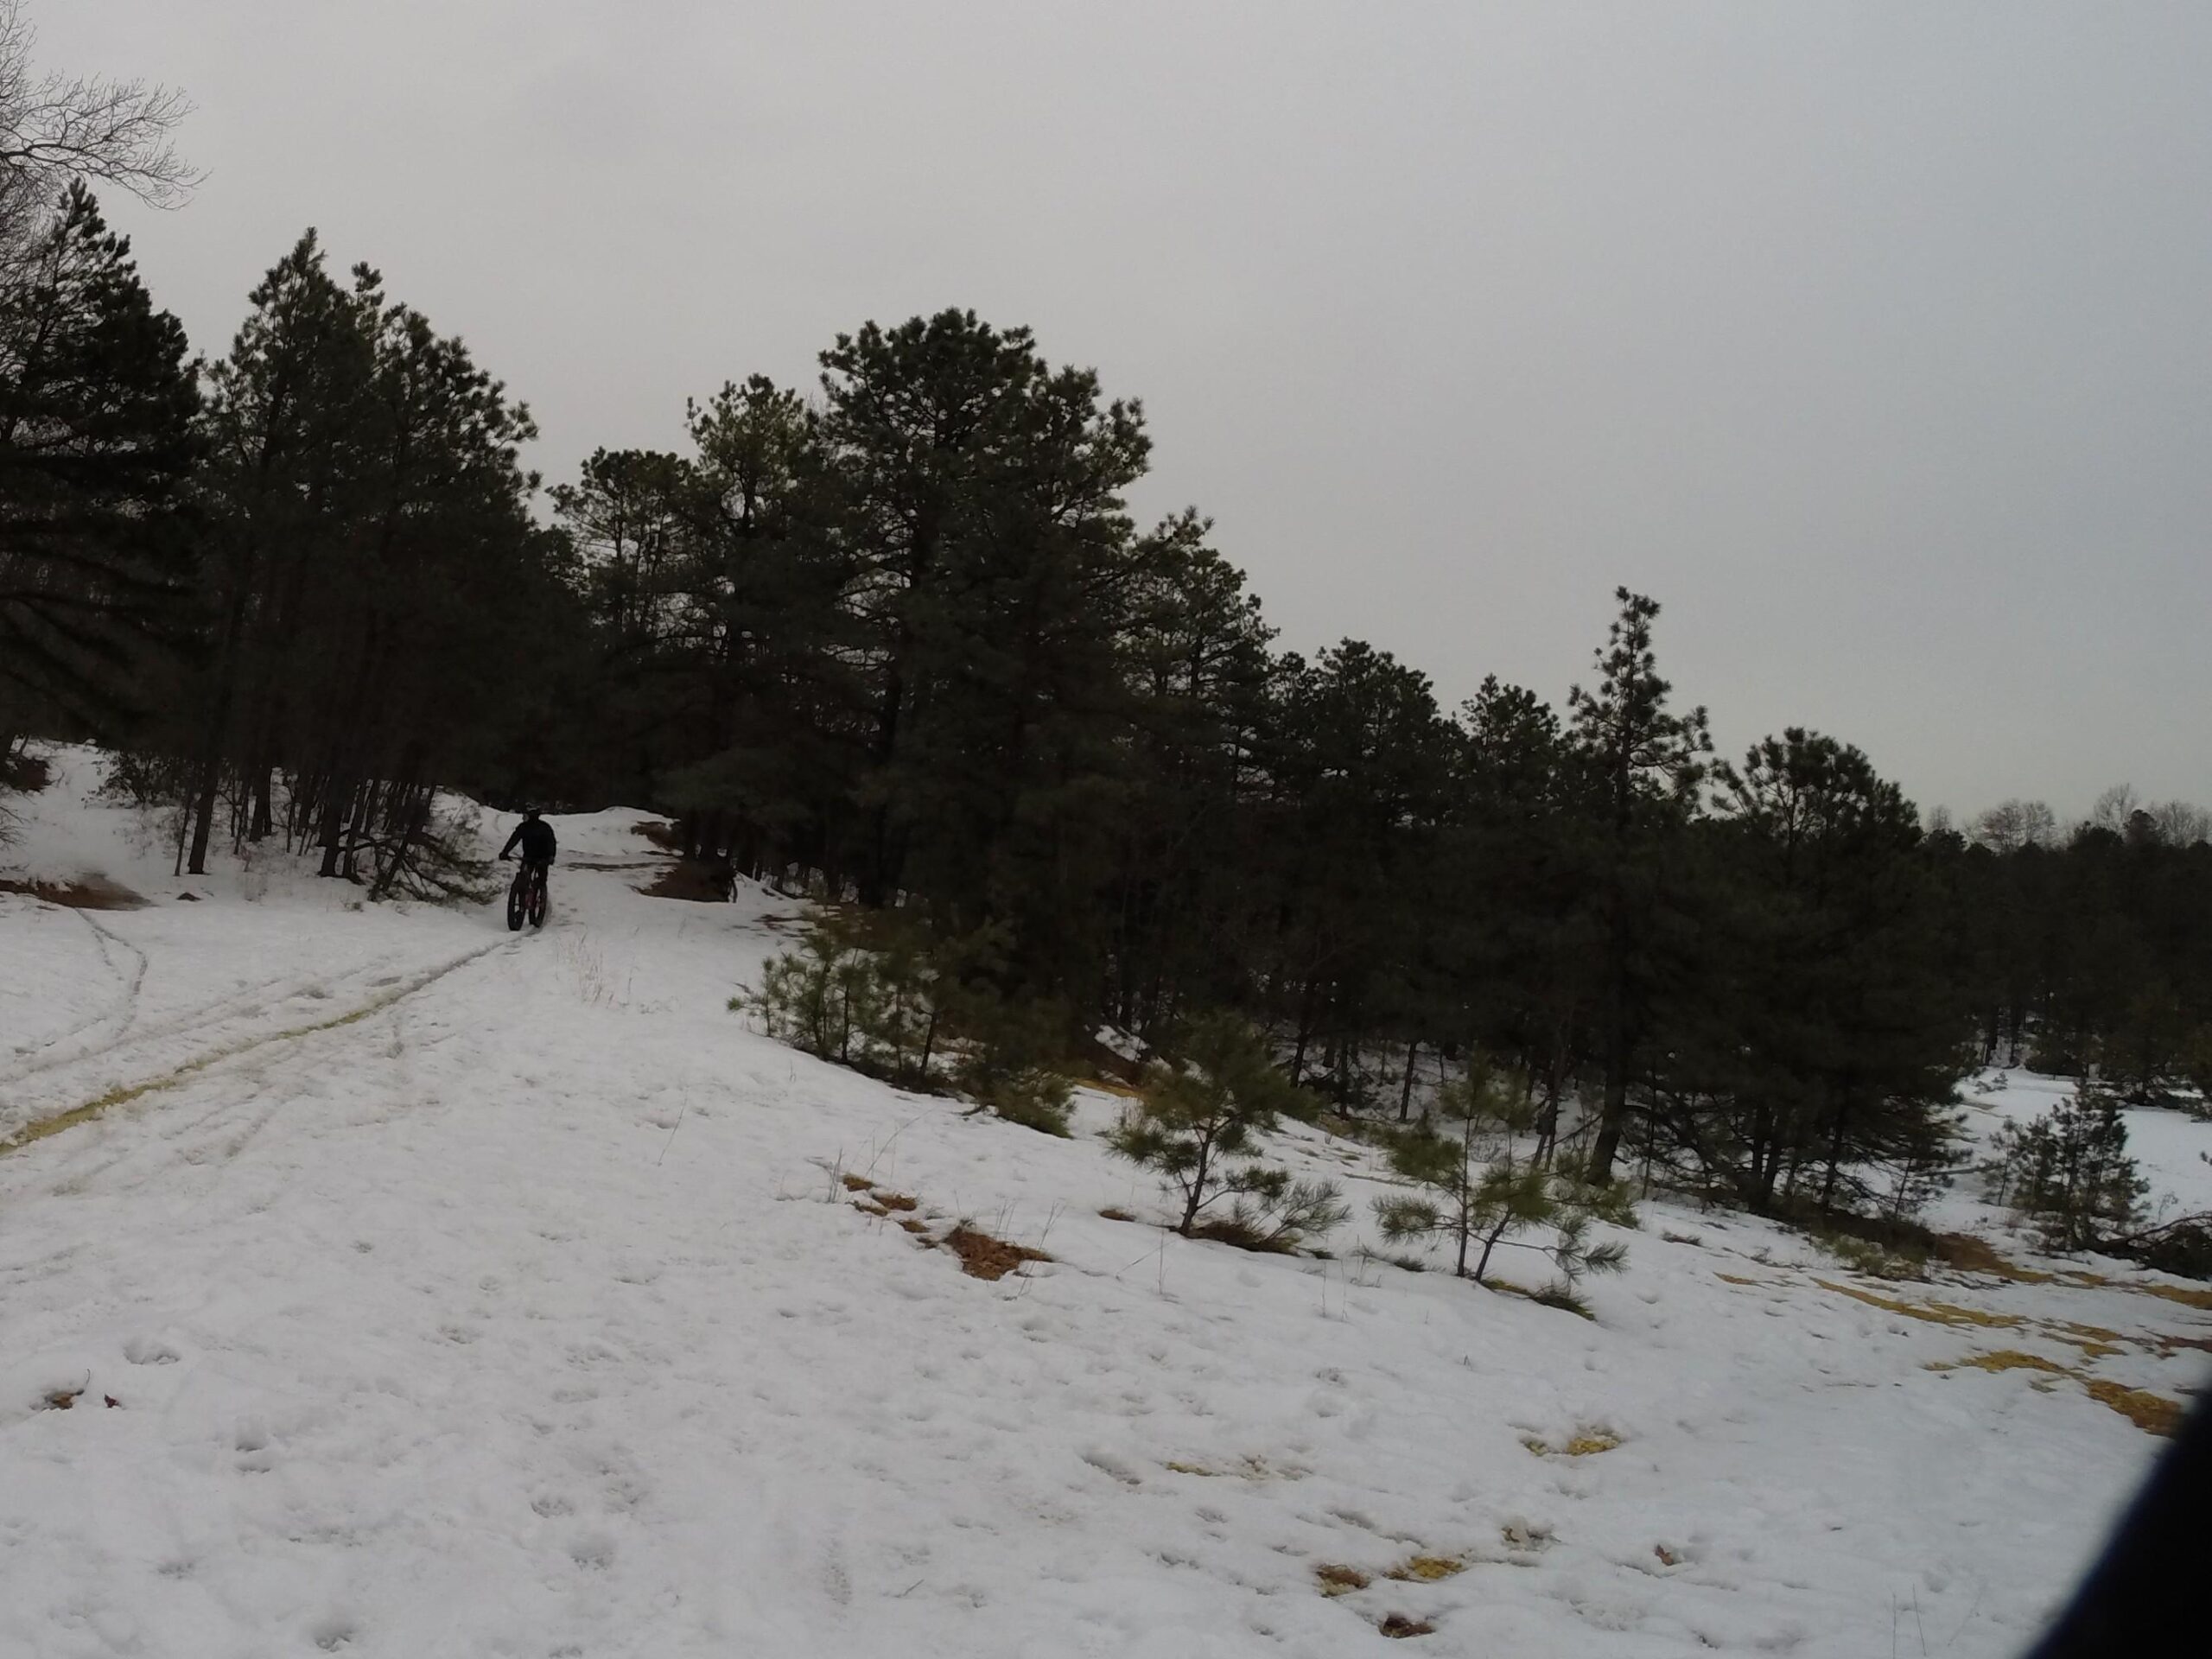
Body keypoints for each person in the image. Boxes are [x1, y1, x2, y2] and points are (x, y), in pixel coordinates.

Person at [499, 808, 557, 875]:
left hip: (540, 858)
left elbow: (551, 842)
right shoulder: (543, 826)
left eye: (525, 815)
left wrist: (551, 856)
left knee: (535, 878)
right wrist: (505, 851)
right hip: (533, 857)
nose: (523, 818)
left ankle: (539, 884)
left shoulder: (541, 827)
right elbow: (514, 840)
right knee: (526, 877)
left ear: (531, 816)